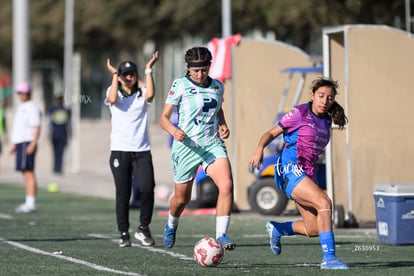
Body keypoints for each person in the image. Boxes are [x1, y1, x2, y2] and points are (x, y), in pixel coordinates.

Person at [249, 77, 349, 270]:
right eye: (321, 96)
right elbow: (271, 133)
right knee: (324, 202)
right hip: (289, 168)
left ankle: (278, 228)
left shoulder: (327, 119)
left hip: (308, 172)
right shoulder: (299, 113)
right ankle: (330, 258)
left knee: (313, 228)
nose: (324, 101)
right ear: (312, 95)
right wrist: (259, 148)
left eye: (329, 98)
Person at [159, 46, 236, 250]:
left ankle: (221, 235)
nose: (201, 74)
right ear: (188, 68)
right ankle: (171, 224)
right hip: (186, 148)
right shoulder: (180, 85)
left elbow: (218, 110)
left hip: (211, 145)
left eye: (204, 69)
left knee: (227, 185)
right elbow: (163, 118)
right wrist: (174, 131)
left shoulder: (218, 86)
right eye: (196, 70)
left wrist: (223, 124)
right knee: (181, 199)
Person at [105, 51, 159, 247]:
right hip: (120, 150)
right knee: (123, 192)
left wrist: (148, 70)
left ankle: (143, 228)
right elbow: (111, 99)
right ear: (119, 77)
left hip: (141, 150)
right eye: (125, 75)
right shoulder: (114, 92)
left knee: (147, 188)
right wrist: (114, 76)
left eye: (132, 74)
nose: (129, 78)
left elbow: (151, 93)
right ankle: (123, 232)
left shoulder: (141, 94)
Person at [10, 82, 42, 213]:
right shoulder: (22, 107)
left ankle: (30, 203)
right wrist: (14, 144)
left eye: (22, 93)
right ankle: (30, 201)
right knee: (26, 173)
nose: (20, 95)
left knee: (28, 173)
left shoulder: (31, 107)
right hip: (20, 144)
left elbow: (37, 126)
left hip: (27, 143)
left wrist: (33, 143)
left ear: (28, 93)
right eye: (18, 93)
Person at [48, 94, 71, 174]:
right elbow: (69, 124)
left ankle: (56, 168)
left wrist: (48, 134)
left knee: (57, 152)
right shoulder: (66, 110)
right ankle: (58, 168)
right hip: (61, 134)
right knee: (59, 152)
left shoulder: (53, 110)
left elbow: (49, 124)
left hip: (56, 134)